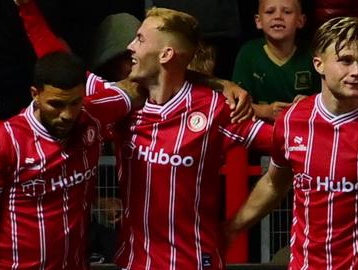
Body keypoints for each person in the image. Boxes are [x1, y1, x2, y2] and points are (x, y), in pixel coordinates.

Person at [226, 16, 358, 269]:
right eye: (345, 60)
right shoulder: (291, 122)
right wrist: (231, 229)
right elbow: (273, 184)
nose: (357, 71)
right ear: (318, 64)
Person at [107, 7, 272, 270]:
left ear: (166, 54)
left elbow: (289, 153)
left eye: (139, 39)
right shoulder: (123, 107)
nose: (130, 47)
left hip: (195, 261)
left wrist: (236, 226)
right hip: (133, 262)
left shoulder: (216, 110)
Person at [0, 51, 133, 269]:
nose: (67, 114)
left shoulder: (93, 114)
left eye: (75, 102)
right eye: (56, 104)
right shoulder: (1, 144)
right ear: (35, 94)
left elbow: (136, 89)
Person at [232, 0, 320, 122]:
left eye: (287, 12)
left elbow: (328, 101)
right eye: (269, 12)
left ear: (300, 20)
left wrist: (311, 103)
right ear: (258, 21)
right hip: (260, 129)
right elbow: (235, 104)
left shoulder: (313, 54)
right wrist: (265, 111)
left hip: (302, 127)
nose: (278, 17)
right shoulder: (249, 53)